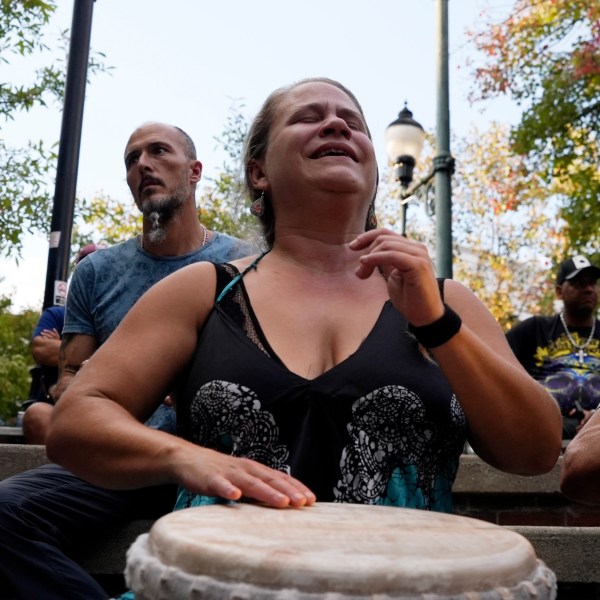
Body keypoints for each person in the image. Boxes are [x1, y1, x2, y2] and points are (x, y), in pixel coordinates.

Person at [47, 78, 561, 520]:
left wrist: (436, 324)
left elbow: (535, 451)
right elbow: (77, 420)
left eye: (352, 122)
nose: (336, 126)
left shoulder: (447, 300)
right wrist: (185, 458)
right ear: (259, 173)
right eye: (309, 118)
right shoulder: (204, 290)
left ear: (374, 171)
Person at [0, 122, 253, 600]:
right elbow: (69, 376)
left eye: (159, 151)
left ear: (194, 171)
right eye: (132, 158)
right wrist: (89, 390)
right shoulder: (97, 271)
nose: (143, 164)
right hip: (124, 457)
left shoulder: (242, 260)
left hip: (216, 458)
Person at [506, 255, 600, 439]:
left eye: (593, 283)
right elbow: (494, 360)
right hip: (546, 425)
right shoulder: (535, 328)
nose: (589, 289)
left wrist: (597, 417)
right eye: (579, 283)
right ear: (559, 291)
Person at [22, 244, 100, 444]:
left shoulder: (117, 312)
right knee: (36, 415)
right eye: (85, 267)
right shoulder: (56, 314)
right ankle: (57, 472)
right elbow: (41, 349)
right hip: (56, 404)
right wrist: (100, 350)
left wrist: (64, 345)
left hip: (105, 405)